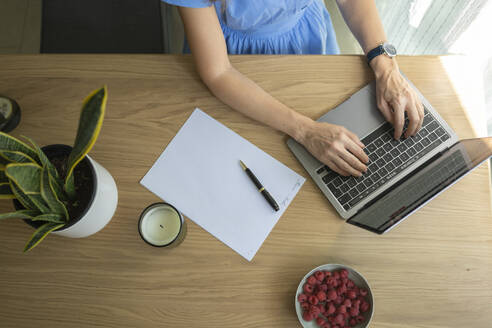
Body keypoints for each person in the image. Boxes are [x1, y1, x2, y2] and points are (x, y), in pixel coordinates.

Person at [163, 0, 424, 177]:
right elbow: (218, 72)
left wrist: (385, 64)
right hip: (238, 63)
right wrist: (305, 130)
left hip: (308, 38)